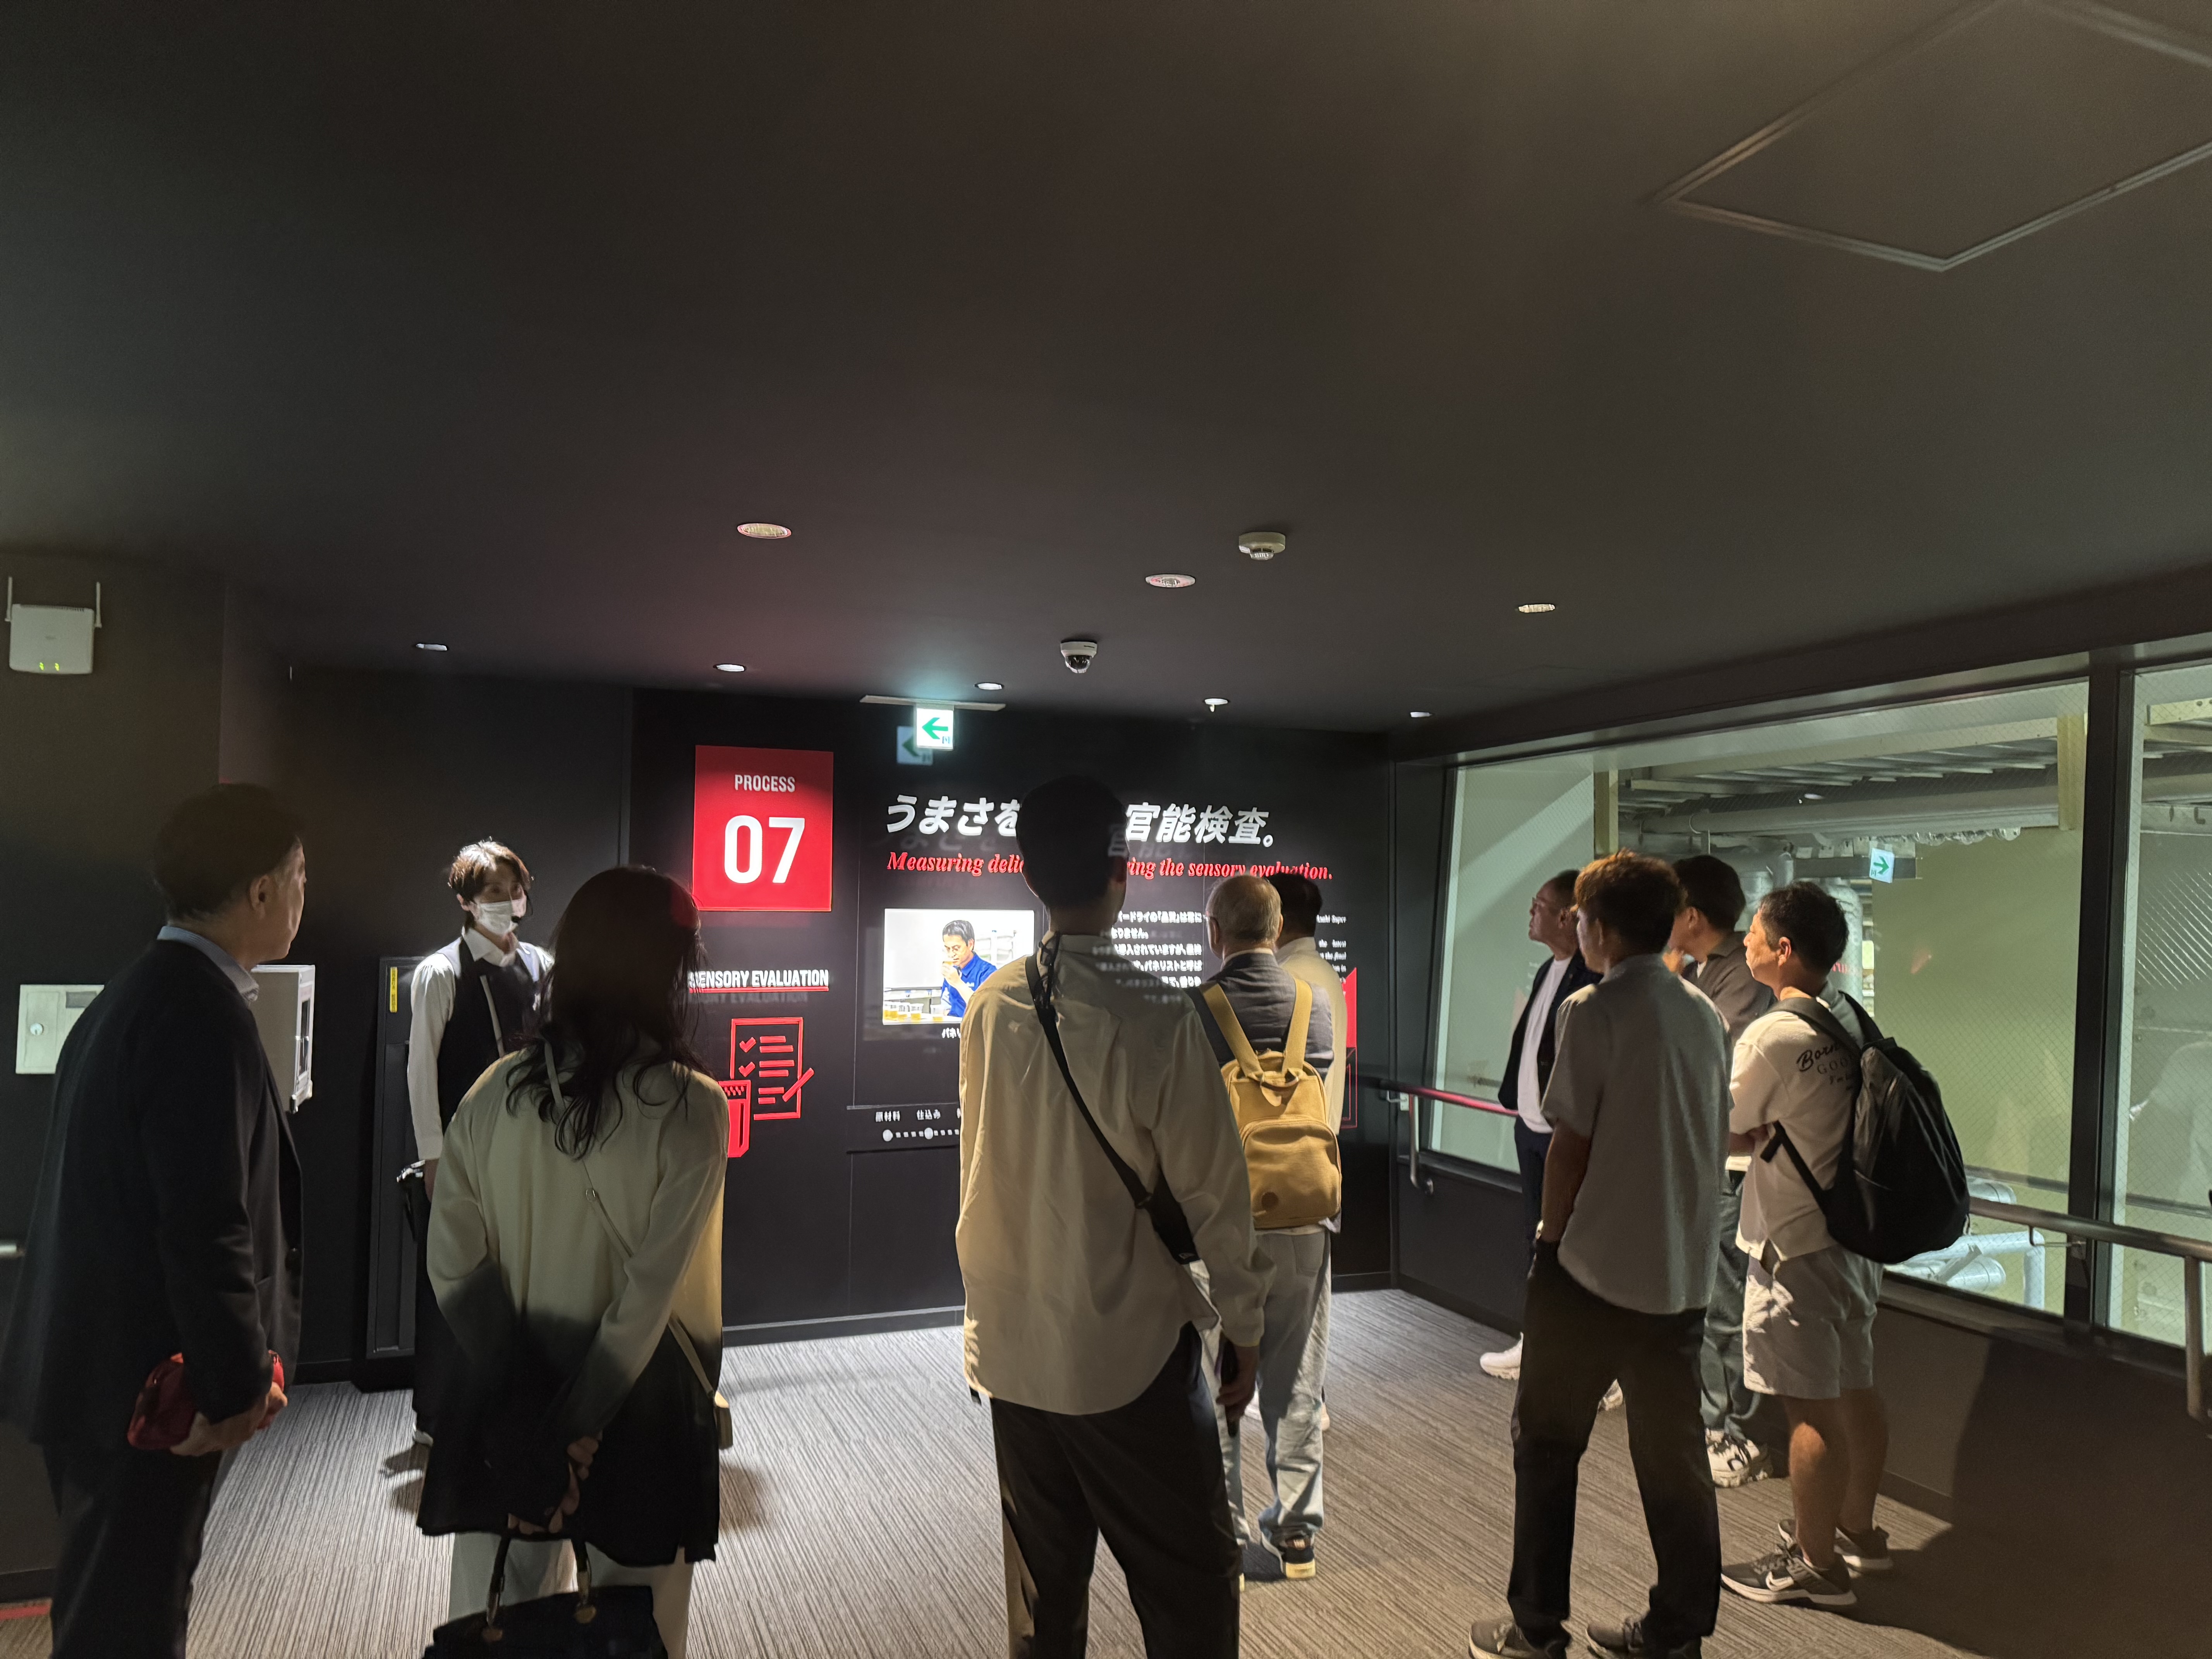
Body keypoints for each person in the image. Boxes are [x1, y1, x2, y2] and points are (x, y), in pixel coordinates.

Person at [957, 775, 1269, 1659]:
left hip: (1013, 1348)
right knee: (1190, 1581)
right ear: (1122, 872)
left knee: (1043, 1592)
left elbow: (977, 1173)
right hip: (1126, 1353)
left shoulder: (991, 1004)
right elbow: (1217, 1192)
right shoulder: (1158, 1012)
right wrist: (1245, 1326)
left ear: (1028, 875)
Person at [0, 784, 305, 1659]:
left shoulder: (140, 992)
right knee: (128, 1621)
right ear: (260, 891)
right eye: (299, 875)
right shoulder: (198, 1014)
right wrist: (234, 1387)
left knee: (110, 1607)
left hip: (102, 1374)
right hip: (145, 1396)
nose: (303, 895)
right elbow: (205, 1222)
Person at [418, 866, 726, 1659]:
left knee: (494, 1622)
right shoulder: (691, 1108)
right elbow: (648, 1299)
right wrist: (574, 1427)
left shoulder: (493, 1093)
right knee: (636, 1630)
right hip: (640, 1410)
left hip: (507, 1409)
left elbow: (452, 1266)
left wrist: (531, 1415)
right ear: (669, 971)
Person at [1469, 852, 1728, 1659]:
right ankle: (1676, 1631)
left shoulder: (1593, 1008)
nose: (1576, 927)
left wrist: (1548, 1240)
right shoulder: (1702, 1011)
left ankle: (1535, 1627)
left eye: (1580, 916)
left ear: (1602, 929)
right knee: (1674, 1460)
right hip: (1679, 1274)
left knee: (1547, 1448)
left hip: (1590, 1270)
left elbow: (1570, 1144)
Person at [1721, 882, 1892, 1611]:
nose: (1746, 942)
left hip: (1792, 1244)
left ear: (1784, 949)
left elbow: (1718, 1125)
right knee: (1855, 1387)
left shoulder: (1771, 1035)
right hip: (1853, 1239)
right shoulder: (1849, 1019)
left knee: (1809, 1409)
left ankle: (1816, 1565)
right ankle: (1856, 1529)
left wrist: (1748, 1131)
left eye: (1755, 934)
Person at [1192, 875, 1336, 1583]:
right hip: (1305, 1214)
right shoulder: (1314, 1006)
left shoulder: (1196, 1010)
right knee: (1297, 1376)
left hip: (1221, 1219)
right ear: (1277, 930)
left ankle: (1225, 1525)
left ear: (1215, 931)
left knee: (1218, 1378)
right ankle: (1297, 1532)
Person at [406, 839, 553, 1443]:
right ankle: (439, 1417)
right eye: (493, 891)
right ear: (466, 901)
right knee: (454, 1279)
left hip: (529, 1150)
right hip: (463, 1154)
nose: (508, 901)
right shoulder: (440, 973)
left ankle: (509, 1408)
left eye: (515, 890)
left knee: (522, 1278)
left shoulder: (542, 965)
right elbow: (420, 1071)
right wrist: (433, 1157)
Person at [1667, 855, 1776, 1488]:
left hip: (1731, 1165)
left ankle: (1732, 1431)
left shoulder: (1739, 977)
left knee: (1724, 1301)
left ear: (1690, 915)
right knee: (1703, 1298)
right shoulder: (1698, 970)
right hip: (1699, 1157)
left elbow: (1702, 1058)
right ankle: (1710, 1418)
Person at [1480, 871, 1602, 1382]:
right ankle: (1538, 1340)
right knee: (1538, 1239)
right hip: (1531, 1127)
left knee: (1569, 1244)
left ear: (1568, 917)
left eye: (1539, 906)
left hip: (1563, 1134)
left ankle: (1584, 1362)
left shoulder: (1591, 980)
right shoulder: (1548, 971)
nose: (1531, 914)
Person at [1265, 872, 1350, 1130]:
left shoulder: (1286, 976)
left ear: (1276, 921)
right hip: (1317, 1135)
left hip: (1287, 1136)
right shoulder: (1326, 972)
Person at [940, 917, 996, 1019]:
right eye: (948, 949)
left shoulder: (987, 972)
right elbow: (945, 1003)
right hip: (953, 1026)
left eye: (956, 948)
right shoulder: (952, 971)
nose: (951, 954)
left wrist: (958, 983)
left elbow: (985, 1009)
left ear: (970, 945)